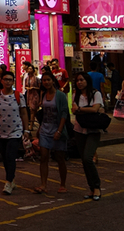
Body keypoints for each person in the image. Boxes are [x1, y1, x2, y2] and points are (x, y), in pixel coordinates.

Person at [0, 70, 28, 196]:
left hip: (15, 131)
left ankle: (9, 182)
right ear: (1, 81)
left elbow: (24, 113)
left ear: (13, 81)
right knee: (4, 157)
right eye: (5, 79)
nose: (8, 82)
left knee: (10, 156)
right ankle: (11, 178)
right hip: (0, 130)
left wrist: (26, 129)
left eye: (10, 79)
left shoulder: (18, 96)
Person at [70, 72, 103, 200]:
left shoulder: (96, 94)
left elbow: (95, 109)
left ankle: (97, 187)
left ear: (87, 81)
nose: (79, 82)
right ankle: (92, 188)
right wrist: (82, 109)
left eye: (82, 80)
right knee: (84, 160)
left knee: (88, 158)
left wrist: (80, 109)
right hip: (79, 130)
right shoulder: (75, 95)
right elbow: (73, 109)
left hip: (93, 130)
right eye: (77, 80)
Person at [34, 73, 68, 194]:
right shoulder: (43, 95)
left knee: (60, 158)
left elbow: (64, 114)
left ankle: (63, 184)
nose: (46, 82)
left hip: (57, 128)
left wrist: (59, 130)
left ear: (53, 81)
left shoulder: (61, 96)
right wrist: (39, 128)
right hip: (45, 128)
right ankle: (43, 184)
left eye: (48, 80)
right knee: (43, 157)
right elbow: (44, 113)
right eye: (44, 80)